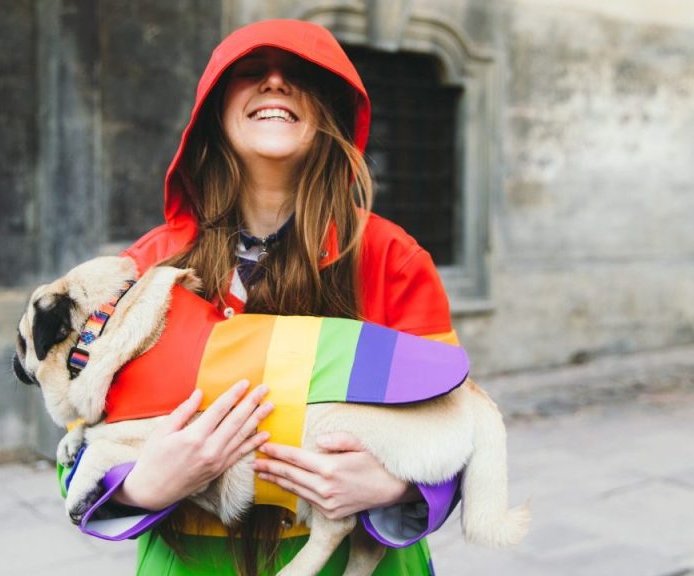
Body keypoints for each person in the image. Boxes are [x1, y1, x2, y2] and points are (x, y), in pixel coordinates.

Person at [71, 19, 463, 575]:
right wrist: (141, 484)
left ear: (329, 111)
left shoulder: (392, 258)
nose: (275, 83)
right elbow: (77, 434)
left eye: (299, 74)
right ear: (213, 110)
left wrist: (394, 483)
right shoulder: (144, 266)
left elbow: (456, 425)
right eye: (251, 72)